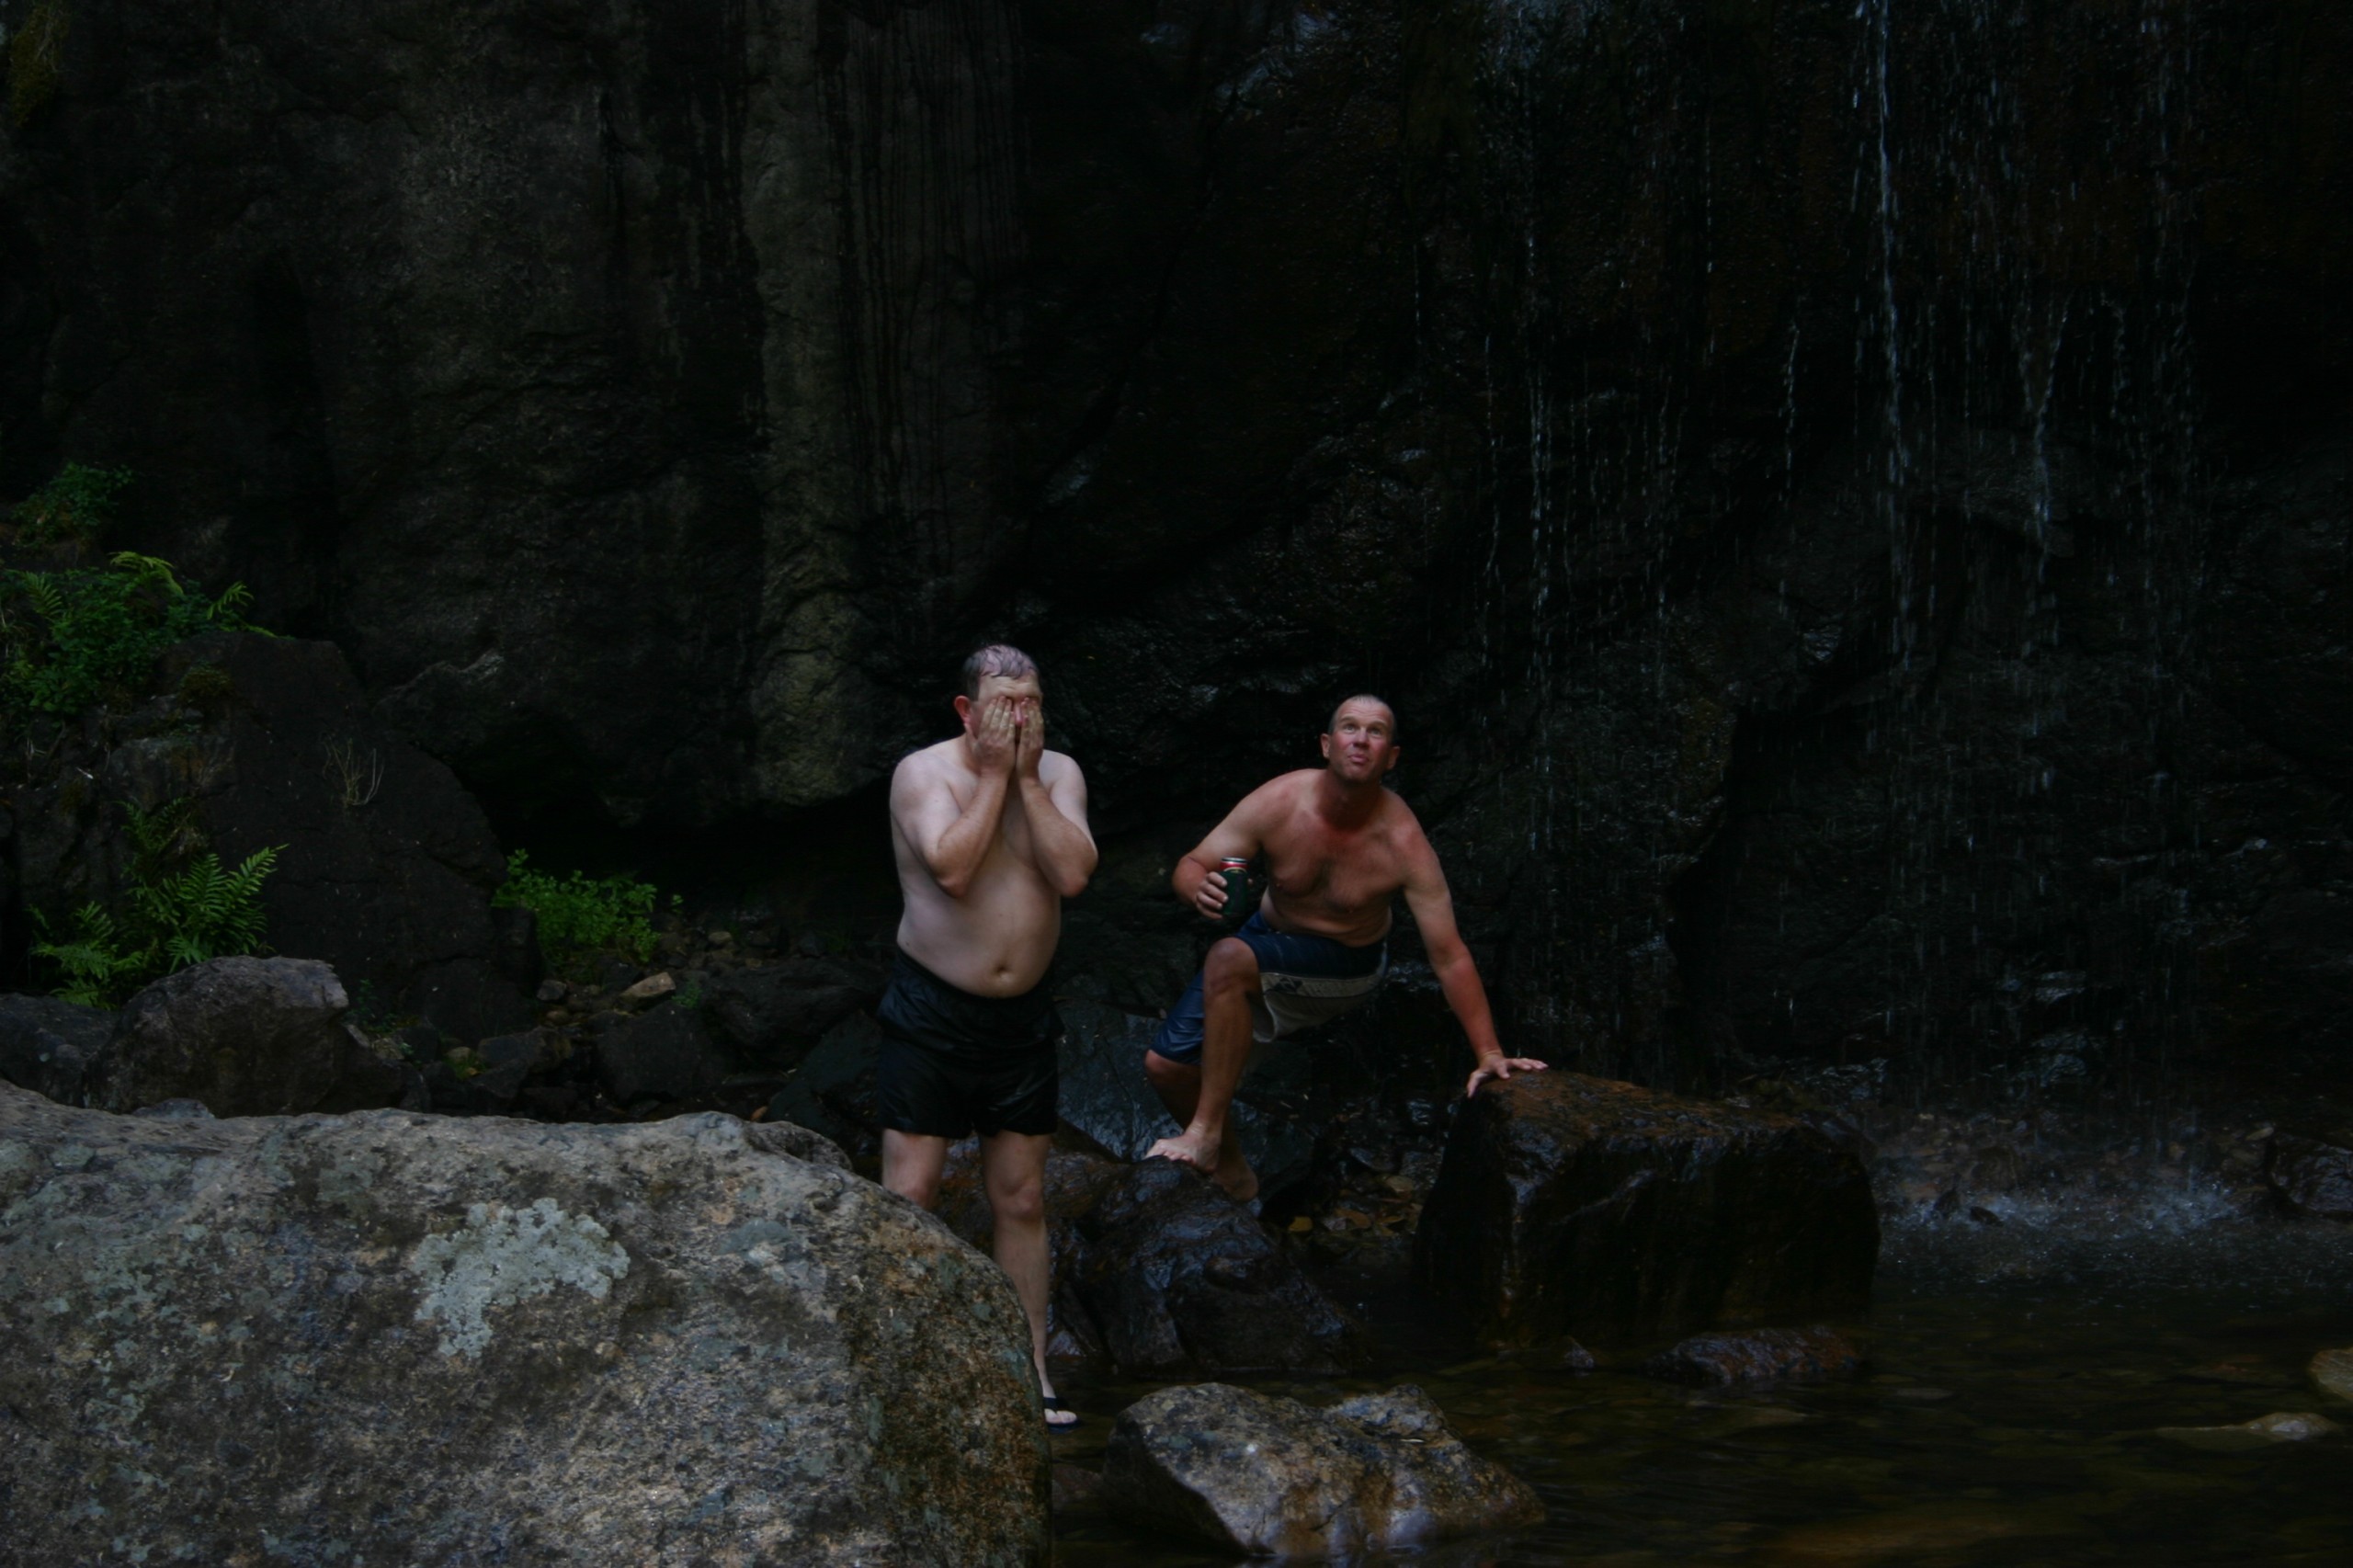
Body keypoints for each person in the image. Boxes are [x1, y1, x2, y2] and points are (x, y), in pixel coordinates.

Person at [1142, 695, 1547, 1202]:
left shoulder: (1402, 841)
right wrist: (1194, 887)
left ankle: (1203, 1134)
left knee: (1228, 957)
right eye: (1350, 728)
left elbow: (1448, 955)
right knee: (1166, 1067)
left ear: (1391, 757)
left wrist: (1489, 1052)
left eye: (1375, 732)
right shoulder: (1280, 800)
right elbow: (1192, 862)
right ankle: (1236, 1173)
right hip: (1266, 940)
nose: (1361, 740)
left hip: (1347, 964)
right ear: (1326, 745)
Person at [879, 644, 1097, 1428]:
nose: (1021, 717)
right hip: (932, 1009)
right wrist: (999, 776)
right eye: (1006, 704)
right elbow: (954, 869)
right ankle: (901, 1365)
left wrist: (1028, 781)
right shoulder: (923, 773)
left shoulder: (1059, 773)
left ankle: (1031, 1370)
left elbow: (1073, 875)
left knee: (1023, 1196)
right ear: (968, 711)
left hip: (1021, 1018)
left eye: (1031, 703)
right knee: (912, 1192)